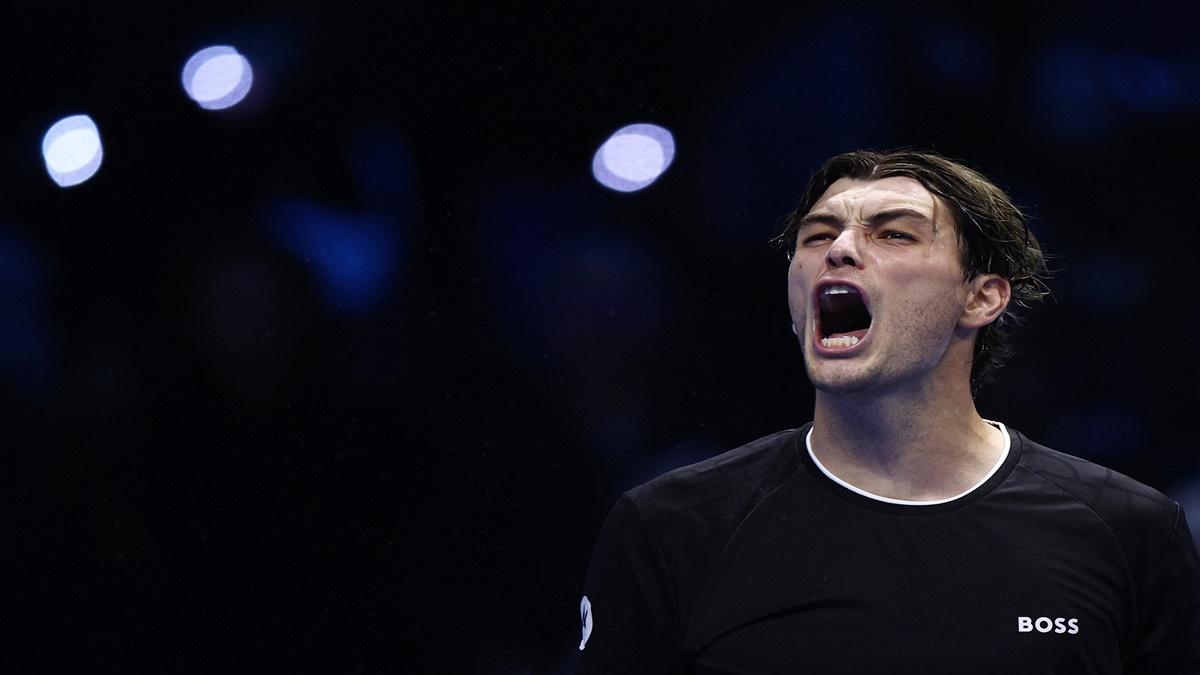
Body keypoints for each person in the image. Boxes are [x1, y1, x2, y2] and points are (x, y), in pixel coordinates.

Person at [574, 150, 1200, 674]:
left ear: (981, 297)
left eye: (894, 233)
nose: (840, 249)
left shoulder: (1130, 531)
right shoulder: (670, 528)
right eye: (817, 236)